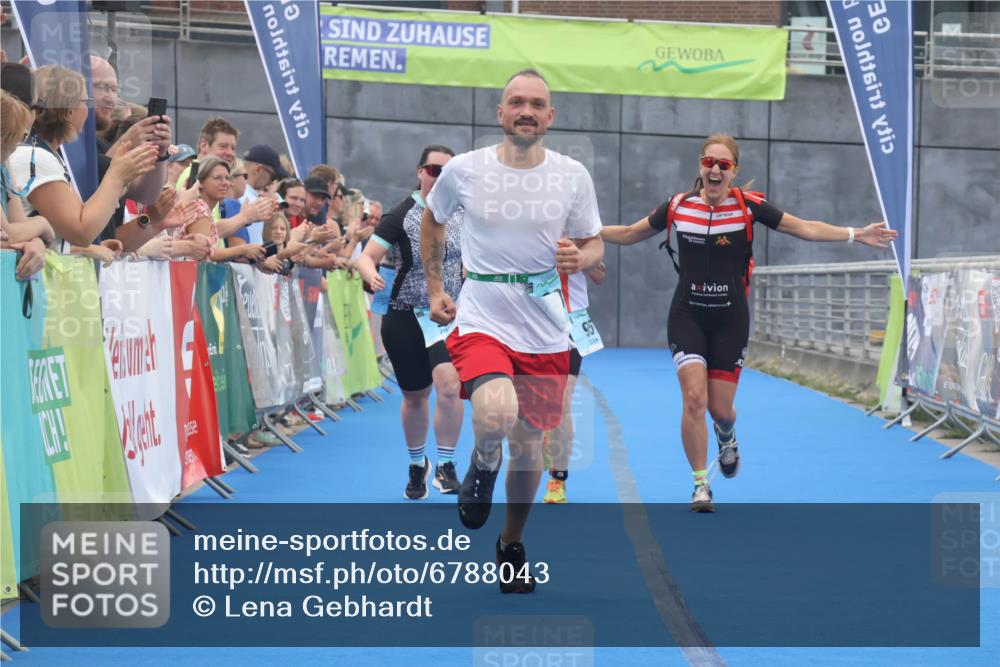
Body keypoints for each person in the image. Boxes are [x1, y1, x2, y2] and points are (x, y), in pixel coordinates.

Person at [600, 132, 898, 512]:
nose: (715, 170)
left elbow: (803, 227)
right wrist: (584, 233)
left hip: (730, 320)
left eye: (724, 165)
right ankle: (699, 485)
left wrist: (856, 234)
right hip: (687, 315)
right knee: (694, 398)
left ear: (734, 171)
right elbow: (628, 233)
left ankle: (726, 435)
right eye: (709, 162)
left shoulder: (748, 207)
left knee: (719, 410)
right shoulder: (678, 206)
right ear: (700, 165)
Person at [421, 69, 603, 593]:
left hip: (547, 326)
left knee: (528, 449)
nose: (526, 111)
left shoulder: (572, 175)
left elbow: (594, 245)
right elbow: (433, 220)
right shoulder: (465, 169)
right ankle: (481, 462)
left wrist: (580, 255)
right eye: (516, 102)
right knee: (496, 412)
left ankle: (511, 542)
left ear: (550, 117)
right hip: (484, 313)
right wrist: (437, 288)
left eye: (536, 104)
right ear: (499, 114)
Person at [355, 145, 465, 500]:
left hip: (448, 316)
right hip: (405, 314)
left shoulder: (465, 212)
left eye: (447, 172)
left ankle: (446, 465)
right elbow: (366, 258)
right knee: (416, 396)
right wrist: (371, 276)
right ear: (420, 171)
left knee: (450, 386)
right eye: (434, 170)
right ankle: (418, 465)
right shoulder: (402, 214)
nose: (439, 177)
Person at [7, 65, 161, 256]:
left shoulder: (42, 154)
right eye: (85, 102)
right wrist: (116, 176)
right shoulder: (36, 157)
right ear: (69, 110)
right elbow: (80, 231)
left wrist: (85, 249)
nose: (87, 111)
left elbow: (66, 232)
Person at [541, 265, 606, 504]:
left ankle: (558, 479)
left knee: (561, 403)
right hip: (528, 319)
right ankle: (544, 431)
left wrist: (581, 258)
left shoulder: (581, 230)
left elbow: (599, 275)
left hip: (570, 320)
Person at [172, 156, 264, 263]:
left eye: (227, 178)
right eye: (217, 178)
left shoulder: (204, 208)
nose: (225, 183)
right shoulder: (198, 207)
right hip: (189, 276)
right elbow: (208, 252)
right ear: (200, 183)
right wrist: (243, 249)